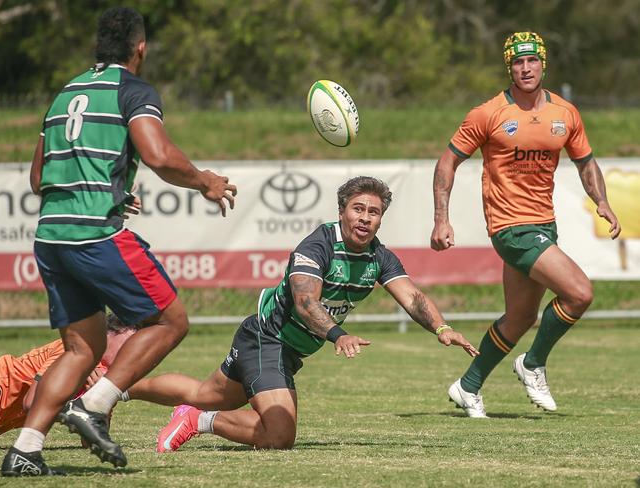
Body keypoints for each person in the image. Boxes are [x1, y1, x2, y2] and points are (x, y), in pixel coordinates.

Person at [1, 7, 237, 477]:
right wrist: (205, 181)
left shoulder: (64, 92)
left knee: (81, 349)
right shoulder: (132, 90)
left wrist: (104, 189)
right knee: (170, 320)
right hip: (95, 235)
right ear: (140, 47)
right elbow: (158, 154)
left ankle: (25, 449)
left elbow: (38, 178)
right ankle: (94, 405)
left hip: (51, 238)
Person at [122, 176, 478, 452]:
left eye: (373, 212)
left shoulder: (379, 256)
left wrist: (441, 327)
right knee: (278, 435)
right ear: (342, 211)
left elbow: (412, 296)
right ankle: (197, 421)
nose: (365, 218)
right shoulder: (318, 245)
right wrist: (339, 335)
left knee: (205, 392)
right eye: (358, 209)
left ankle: (117, 387)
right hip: (267, 339)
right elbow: (306, 303)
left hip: (288, 351)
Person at [430, 32, 621, 418]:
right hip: (509, 228)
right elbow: (446, 162)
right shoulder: (488, 113)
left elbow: (585, 161)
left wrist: (600, 199)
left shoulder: (565, 113)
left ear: (543, 63)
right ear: (509, 67)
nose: (525, 67)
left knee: (520, 317)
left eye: (532, 60)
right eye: (517, 62)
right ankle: (532, 363)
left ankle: (468, 386)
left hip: (543, 226)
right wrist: (441, 219)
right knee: (580, 293)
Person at [0, 314, 136, 438]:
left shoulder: (103, 378)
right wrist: (77, 409)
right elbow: (32, 403)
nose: (132, 354)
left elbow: (91, 439)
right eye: (129, 344)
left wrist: (103, 397)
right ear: (109, 333)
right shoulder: (77, 350)